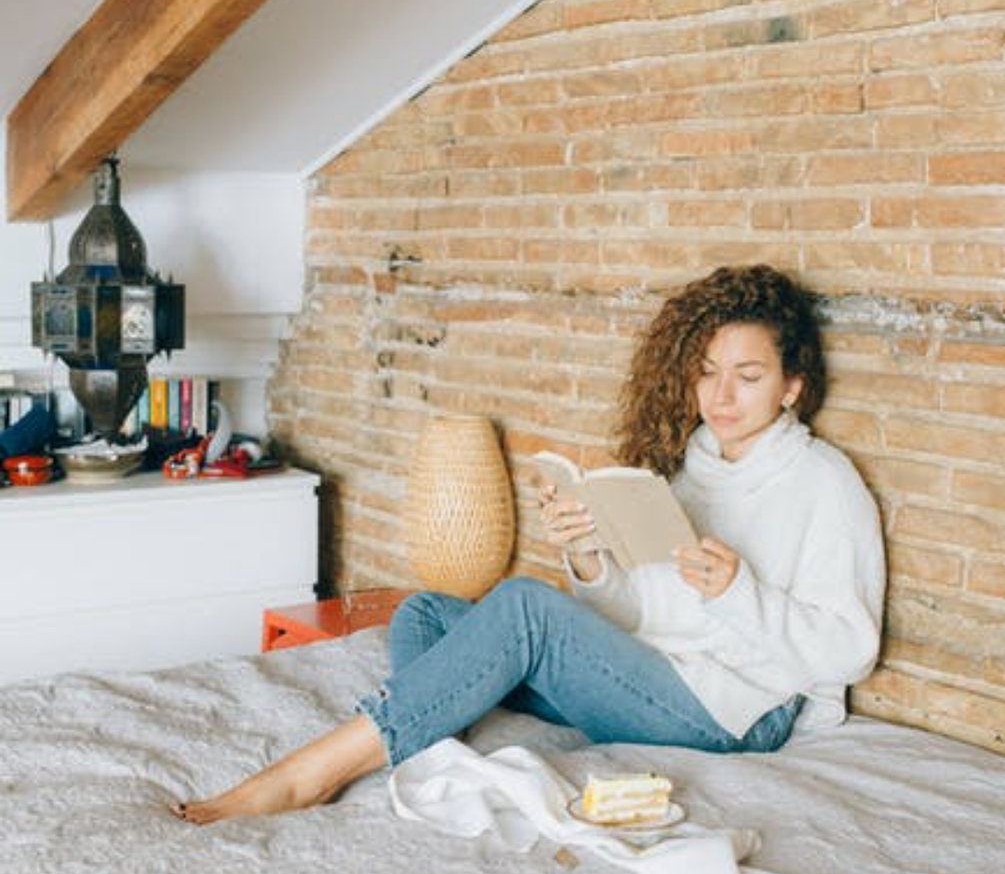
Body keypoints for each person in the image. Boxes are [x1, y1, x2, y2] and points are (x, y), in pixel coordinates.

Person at [173, 263, 886, 825]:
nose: (721, 396)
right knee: (425, 611)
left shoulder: (823, 484)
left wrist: (738, 595)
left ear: (792, 388)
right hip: (656, 675)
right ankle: (430, 742)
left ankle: (309, 774)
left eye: (749, 377)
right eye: (707, 371)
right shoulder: (690, 467)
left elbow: (850, 651)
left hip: (736, 711)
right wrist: (589, 556)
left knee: (521, 607)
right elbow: (641, 614)